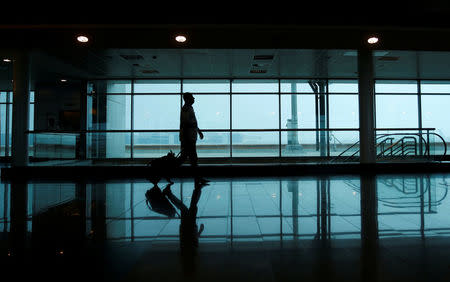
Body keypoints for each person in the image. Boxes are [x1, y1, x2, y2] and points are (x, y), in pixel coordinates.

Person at [163, 180, 208, 255]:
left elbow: (195, 237)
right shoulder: (186, 247)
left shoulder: (191, 247)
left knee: (188, 206)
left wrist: (200, 229)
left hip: (189, 225)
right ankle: (198, 188)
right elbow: (193, 237)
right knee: (187, 206)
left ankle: (198, 188)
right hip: (187, 226)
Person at [177, 92, 209, 184]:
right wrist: (188, 139)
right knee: (191, 158)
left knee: (189, 158)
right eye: (192, 97)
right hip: (189, 138)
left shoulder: (189, 108)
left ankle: (198, 178)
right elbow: (187, 124)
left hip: (190, 137)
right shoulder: (186, 109)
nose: (194, 99)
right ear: (187, 99)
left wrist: (198, 131)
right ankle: (198, 178)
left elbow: (192, 122)